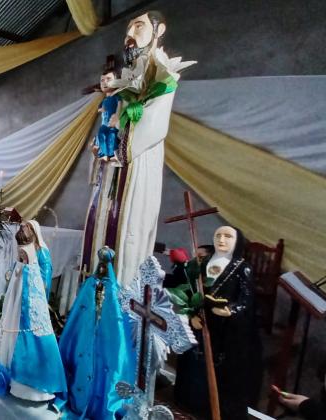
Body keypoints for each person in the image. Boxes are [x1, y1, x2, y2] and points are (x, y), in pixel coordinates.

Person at [80, 10, 195, 287]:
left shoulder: (163, 74)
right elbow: (111, 119)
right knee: (101, 225)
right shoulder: (126, 76)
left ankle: (120, 304)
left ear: (160, 30)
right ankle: (93, 302)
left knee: (126, 231)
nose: (130, 36)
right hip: (111, 168)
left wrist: (120, 142)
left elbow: (154, 125)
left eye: (139, 27)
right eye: (128, 29)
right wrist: (101, 145)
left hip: (136, 165)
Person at [173, 226, 261, 419]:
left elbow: (247, 299)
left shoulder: (241, 268)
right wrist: (191, 315)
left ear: (237, 241)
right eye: (218, 235)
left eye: (228, 236)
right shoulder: (202, 264)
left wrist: (230, 310)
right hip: (200, 324)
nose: (222, 240)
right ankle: (189, 402)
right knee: (194, 365)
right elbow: (191, 292)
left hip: (225, 330)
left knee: (218, 371)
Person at [0, 223, 66, 404]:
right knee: (13, 324)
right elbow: (18, 264)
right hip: (20, 292)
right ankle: (11, 367)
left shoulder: (41, 252)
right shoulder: (25, 249)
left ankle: (31, 377)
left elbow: (45, 273)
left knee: (31, 331)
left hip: (33, 293)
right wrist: (16, 271)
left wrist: (33, 280)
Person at [58, 246, 136, 419]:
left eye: (104, 265)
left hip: (104, 337)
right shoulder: (90, 284)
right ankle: (79, 400)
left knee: (106, 368)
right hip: (87, 333)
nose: (101, 269)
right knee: (82, 362)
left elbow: (115, 320)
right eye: (100, 264)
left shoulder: (114, 291)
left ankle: (102, 406)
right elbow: (81, 309)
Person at [91, 69, 122, 162]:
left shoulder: (116, 97)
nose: (105, 82)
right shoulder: (104, 100)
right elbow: (100, 108)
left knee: (111, 136)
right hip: (104, 124)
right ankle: (103, 153)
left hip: (112, 122)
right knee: (101, 134)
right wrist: (101, 109)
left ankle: (112, 153)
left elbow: (120, 105)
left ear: (116, 81)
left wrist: (117, 115)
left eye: (108, 79)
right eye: (102, 80)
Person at [26, 220, 53, 294]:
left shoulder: (42, 250)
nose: (25, 230)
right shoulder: (27, 247)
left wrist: (43, 285)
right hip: (26, 283)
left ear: (34, 231)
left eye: (28, 228)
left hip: (36, 286)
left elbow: (46, 270)